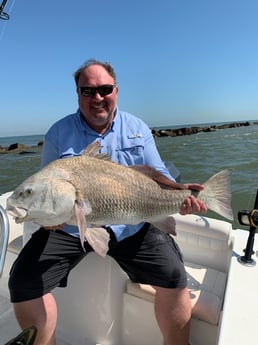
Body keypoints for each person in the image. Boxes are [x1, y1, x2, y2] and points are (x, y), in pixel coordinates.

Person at [8, 59, 207, 345]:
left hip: (133, 224)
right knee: (23, 282)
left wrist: (181, 192)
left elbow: (158, 172)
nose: (97, 97)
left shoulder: (136, 126)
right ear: (77, 94)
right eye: (88, 91)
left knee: (175, 277)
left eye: (104, 89)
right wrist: (47, 219)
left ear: (116, 90)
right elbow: (46, 187)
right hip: (72, 228)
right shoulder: (57, 134)